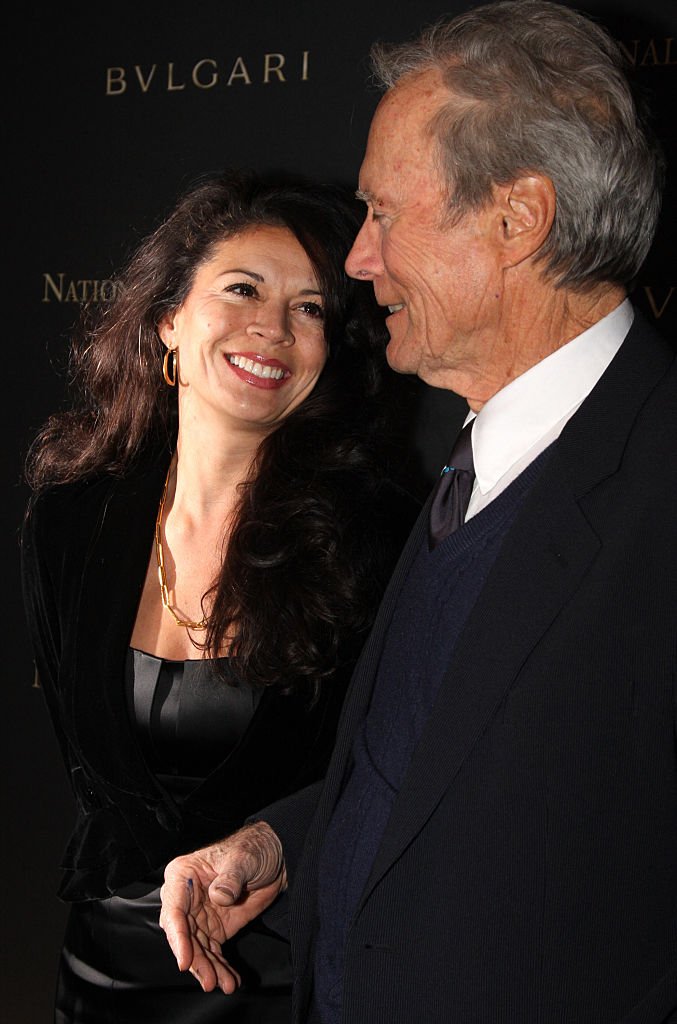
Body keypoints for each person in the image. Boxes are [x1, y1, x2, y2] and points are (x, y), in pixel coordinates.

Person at [159, 2, 677, 1022]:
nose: (356, 260)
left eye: (384, 214)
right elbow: (463, 774)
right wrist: (283, 842)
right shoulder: (473, 454)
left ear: (516, 218)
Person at [20, 169, 419, 1023]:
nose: (272, 329)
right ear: (169, 320)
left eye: (310, 309)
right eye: (242, 288)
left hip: (287, 969)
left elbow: (391, 772)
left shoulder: (377, 539)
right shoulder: (68, 520)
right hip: (104, 964)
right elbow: (95, 776)